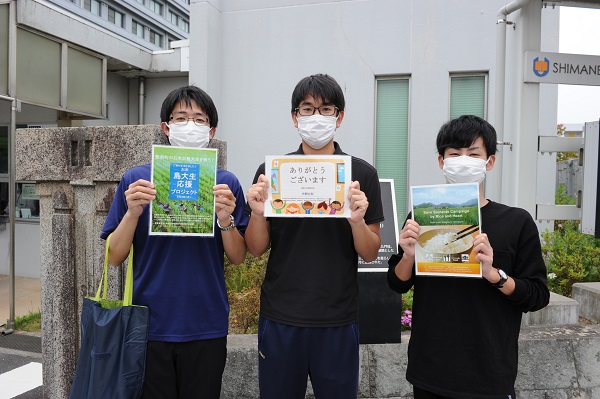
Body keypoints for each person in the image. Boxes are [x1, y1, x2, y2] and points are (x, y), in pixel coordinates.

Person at [101, 85, 249, 399]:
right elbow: (114, 257)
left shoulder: (226, 183)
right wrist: (132, 213)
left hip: (206, 321)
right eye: (181, 118)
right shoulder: (137, 181)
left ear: (211, 130)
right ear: (166, 128)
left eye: (199, 119)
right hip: (149, 323)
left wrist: (226, 220)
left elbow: (238, 256)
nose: (190, 125)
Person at [387, 115, 550, 399]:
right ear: (442, 161)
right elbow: (397, 282)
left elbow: (537, 295)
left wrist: (494, 274)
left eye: (473, 153)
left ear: (490, 162)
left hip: (489, 371)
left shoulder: (516, 222)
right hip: (430, 369)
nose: (463, 160)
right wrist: (408, 256)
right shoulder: (423, 217)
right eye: (454, 153)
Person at [245, 73, 384, 398]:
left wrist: (357, 220)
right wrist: (256, 211)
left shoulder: (361, 174)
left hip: (337, 318)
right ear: (295, 117)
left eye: (325, 109)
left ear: (340, 116)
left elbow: (369, 252)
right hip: (280, 316)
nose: (316, 117)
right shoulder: (273, 174)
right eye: (307, 109)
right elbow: (255, 248)